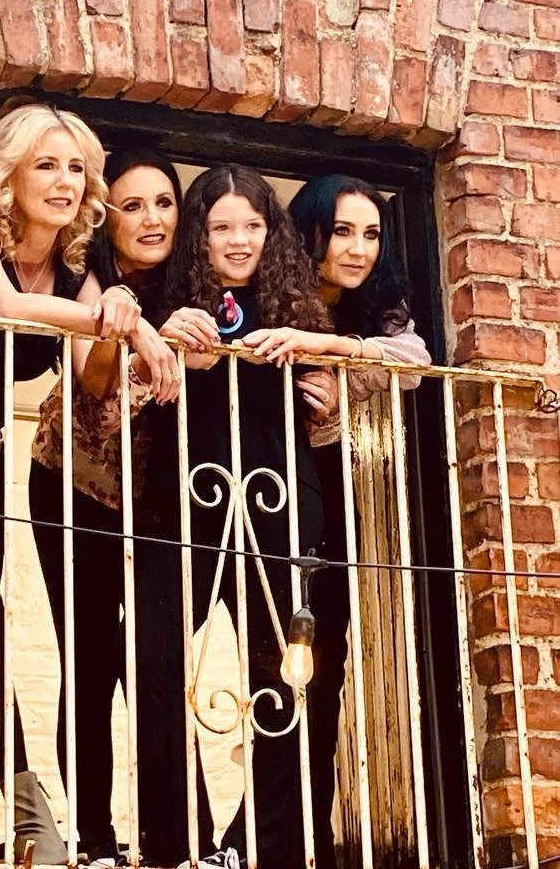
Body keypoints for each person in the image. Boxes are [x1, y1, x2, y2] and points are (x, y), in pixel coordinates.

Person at [0, 100, 159, 863]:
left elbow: (90, 377)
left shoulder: (80, 265)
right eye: (46, 163)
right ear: (7, 171)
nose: (66, 180)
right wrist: (128, 323)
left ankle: (5, 814)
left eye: (77, 167)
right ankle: (26, 797)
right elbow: (0, 305)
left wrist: (119, 324)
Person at [135, 164, 331, 869]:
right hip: (182, 499)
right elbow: (121, 387)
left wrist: (321, 366)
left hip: (281, 501)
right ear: (199, 235)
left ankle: (265, 848)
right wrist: (159, 338)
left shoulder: (296, 304)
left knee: (283, 676)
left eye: (252, 224)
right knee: (151, 655)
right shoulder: (166, 297)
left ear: (270, 231)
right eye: (221, 227)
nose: (239, 240)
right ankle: (174, 843)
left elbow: (333, 399)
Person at [28, 147, 210, 866]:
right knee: (90, 654)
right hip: (73, 483)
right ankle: (95, 839)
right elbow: (92, 388)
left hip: (163, 497)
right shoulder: (88, 278)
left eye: (163, 203)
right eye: (132, 206)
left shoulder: (195, 283)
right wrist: (126, 328)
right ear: (108, 218)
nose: (152, 219)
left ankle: (182, 839)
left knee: (159, 661)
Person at [244, 174, 431, 864]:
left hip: (330, 484)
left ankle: (305, 837)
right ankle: (252, 836)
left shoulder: (374, 305)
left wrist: (332, 349)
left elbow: (414, 365)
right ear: (311, 230)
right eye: (343, 231)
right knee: (267, 669)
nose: (358, 249)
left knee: (320, 670)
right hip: (256, 485)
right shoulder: (267, 287)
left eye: (372, 234)